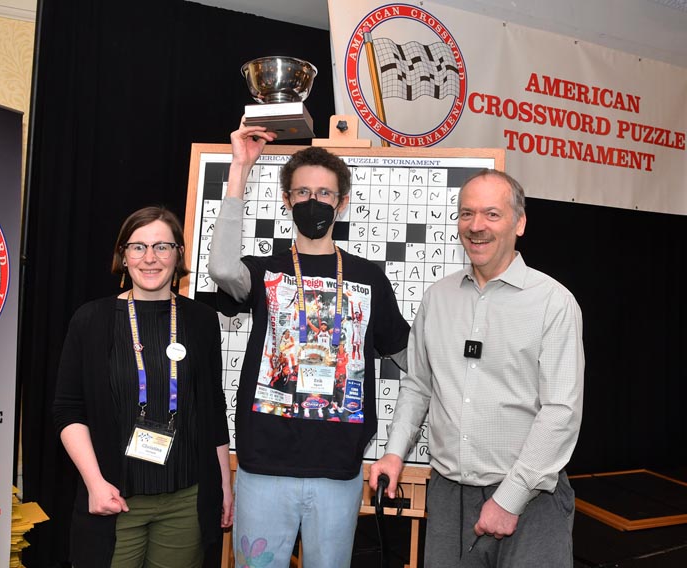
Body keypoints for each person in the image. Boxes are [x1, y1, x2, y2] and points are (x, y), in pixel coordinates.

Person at [208, 123, 410, 568]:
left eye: (324, 193)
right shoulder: (265, 270)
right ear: (287, 201)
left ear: (342, 203)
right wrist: (240, 168)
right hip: (264, 465)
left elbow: (407, 354)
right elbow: (222, 268)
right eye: (302, 193)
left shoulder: (368, 277)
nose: (313, 202)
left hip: (338, 469)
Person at [369, 170, 585, 567]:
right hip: (450, 498)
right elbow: (418, 385)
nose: (476, 226)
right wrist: (395, 453)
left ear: (519, 223)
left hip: (530, 497)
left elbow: (561, 414)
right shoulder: (438, 298)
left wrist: (509, 499)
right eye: (466, 214)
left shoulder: (554, 303)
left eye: (491, 214)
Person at [53, 206, 232, 568]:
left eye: (162, 247)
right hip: (115, 498)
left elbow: (213, 409)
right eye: (138, 247)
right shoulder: (91, 319)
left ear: (179, 254)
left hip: (186, 500)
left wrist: (224, 487)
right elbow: (68, 410)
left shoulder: (201, 319)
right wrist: (95, 483)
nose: (150, 258)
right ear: (123, 255)